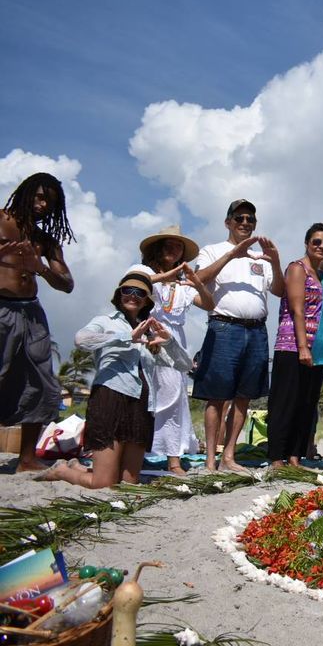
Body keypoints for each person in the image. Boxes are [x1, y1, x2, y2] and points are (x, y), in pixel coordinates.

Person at [38, 271, 190, 488]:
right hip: (110, 398)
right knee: (103, 483)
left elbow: (184, 365)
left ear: (147, 300)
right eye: (128, 290)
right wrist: (127, 337)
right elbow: (81, 339)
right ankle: (63, 471)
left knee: (129, 483)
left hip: (141, 404)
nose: (133, 296)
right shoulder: (105, 321)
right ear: (119, 294)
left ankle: (80, 467)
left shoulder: (150, 332)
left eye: (140, 293)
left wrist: (169, 342)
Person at [191, 200, 284, 472]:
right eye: (240, 218)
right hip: (223, 327)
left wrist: (275, 261)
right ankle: (210, 460)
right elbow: (199, 279)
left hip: (257, 329)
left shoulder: (260, 257)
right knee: (216, 396)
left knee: (244, 396)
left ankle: (229, 456)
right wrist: (232, 255)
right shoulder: (212, 250)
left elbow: (277, 290)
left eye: (250, 219)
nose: (245, 223)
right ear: (228, 222)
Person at [0, 172, 75, 472]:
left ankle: (28, 459)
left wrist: (40, 268)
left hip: (31, 312)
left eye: (51, 202)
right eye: (40, 196)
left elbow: (67, 283)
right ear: (26, 192)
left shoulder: (45, 241)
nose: (43, 205)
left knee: (40, 382)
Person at [132, 226, 213, 475]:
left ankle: (172, 458)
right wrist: (167, 276)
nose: (174, 249)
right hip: (146, 333)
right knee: (142, 395)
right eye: (169, 244)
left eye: (179, 247)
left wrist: (197, 282)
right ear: (157, 248)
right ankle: (140, 450)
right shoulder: (145, 272)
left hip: (174, 340)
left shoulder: (183, 285)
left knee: (173, 395)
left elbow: (210, 304)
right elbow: (134, 283)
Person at [266, 223, 323, 469]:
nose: (321, 246)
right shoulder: (297, 268)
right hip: (292, 346)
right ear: (307, 243)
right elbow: (297, 309)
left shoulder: (322, 276)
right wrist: (303, 347)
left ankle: (294, 455)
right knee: (285, 402)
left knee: (305, 403)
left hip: (317, 348)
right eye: (316, 242)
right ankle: (276, 456)